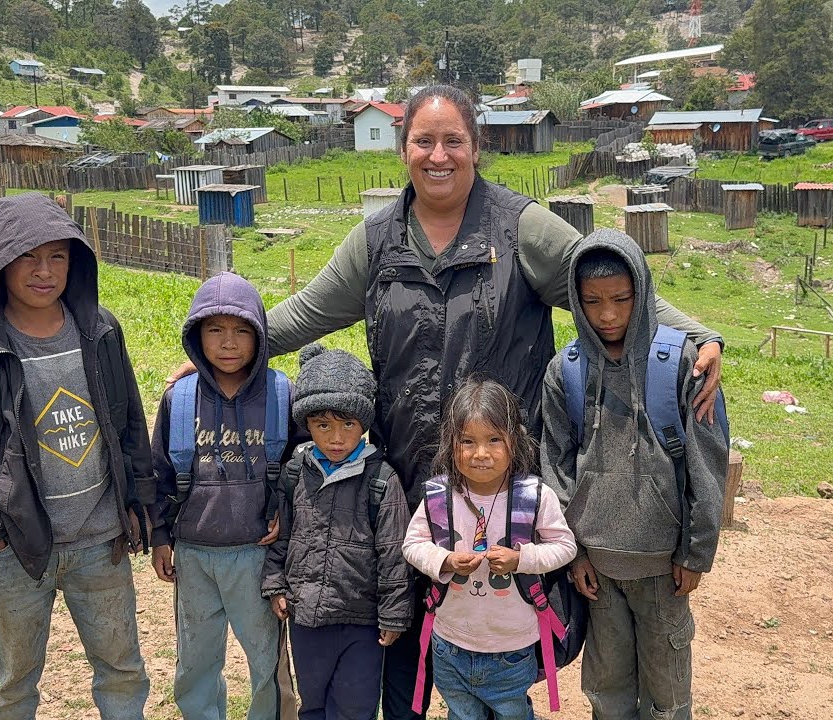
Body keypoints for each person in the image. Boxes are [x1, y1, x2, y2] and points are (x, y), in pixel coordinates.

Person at [172, 83, 725, 719]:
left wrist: (693, 333)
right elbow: (309, 311)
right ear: (404, 149)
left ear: (476, 148)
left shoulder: (519, 228)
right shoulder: (376, 241)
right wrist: (230, 345)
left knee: (500, 625)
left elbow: (607, 271)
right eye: (424, 141)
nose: (439, 155)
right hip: (410, 475)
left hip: (502, 483)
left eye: (453, 141)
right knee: (407, 619)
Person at [0, 192, 152, 719]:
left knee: (123, 670)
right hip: (17, 549)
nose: (44, 271)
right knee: (16, 683)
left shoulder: (100, 331)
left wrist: (138, 504)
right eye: (28, 257)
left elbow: (129, 424)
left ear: (74, 262)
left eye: (58, 256)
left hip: (100, 543)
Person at [539, 230, 729, 720]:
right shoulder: (567, 372)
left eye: (621, 300)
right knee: (607, 689)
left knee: (667, 695)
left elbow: (707, 465)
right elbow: (554, 466)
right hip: (598, 572)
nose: (607, 315)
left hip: (664, 568)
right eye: (593, 302)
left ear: (641, 293)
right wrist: (573, 551)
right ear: (577, 304)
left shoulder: (683, 364)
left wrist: (696, 552)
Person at [148, 271, 287, 720]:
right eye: (214, 330)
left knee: (266, 658)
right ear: (196, 336)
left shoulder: (282, 395)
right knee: (196, 658)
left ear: (260, 336)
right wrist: (159, 537)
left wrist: (285, 516)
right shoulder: (179, 399)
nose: (228, 343)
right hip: (194, 554)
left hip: (256, 556)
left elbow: (300, 472)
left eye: (242, 331)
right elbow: (159, 474)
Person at [403, 378, 577, 720]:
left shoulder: (534, 496)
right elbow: (413, 544)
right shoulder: (439, 497)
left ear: (515, 441)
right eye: (467, 441)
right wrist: (445, 560)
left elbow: (564, 546)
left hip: (511, 649)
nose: (480, 453)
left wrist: (521, 559)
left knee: (512, 713)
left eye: (494, 440)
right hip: (449, 643)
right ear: (451, 445)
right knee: (462, 714)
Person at [262, 343, 412, 720]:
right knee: (312, 704)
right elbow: (280, 536)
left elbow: (394, 552)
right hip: (306, 617)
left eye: (348, 424)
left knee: (355, 707)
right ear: (307, 425)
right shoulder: (296, 474)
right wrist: (276, 584)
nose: (336, 438)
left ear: (364, 424)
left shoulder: (381, 480)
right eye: (322, 425)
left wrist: (394, 613)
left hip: (362, 623)